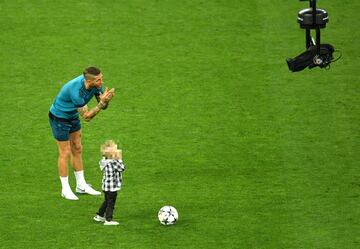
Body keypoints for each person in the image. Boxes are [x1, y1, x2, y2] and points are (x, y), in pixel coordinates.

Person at [49, 66, 115, 200]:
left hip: (72, 115)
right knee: (65, 152)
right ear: (89, 81)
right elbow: (87, 116)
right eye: (98, 80)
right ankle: (65, 189)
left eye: (101, 78)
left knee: (77, 148)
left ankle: (81, 185)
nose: (101, 82)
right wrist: (102, 104)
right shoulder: (76, 92)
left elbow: (103, 104)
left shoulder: (96, 86)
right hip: (59, 117)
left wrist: (105, 101)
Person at [93, 140, 126, 225]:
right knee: (111, 203)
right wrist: (119, 159)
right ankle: (108, 219)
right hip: (112, 187)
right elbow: (122, 168)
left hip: (105, 186)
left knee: (107, 201)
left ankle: (99, 215)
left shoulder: (104, 160)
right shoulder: (113, 162)